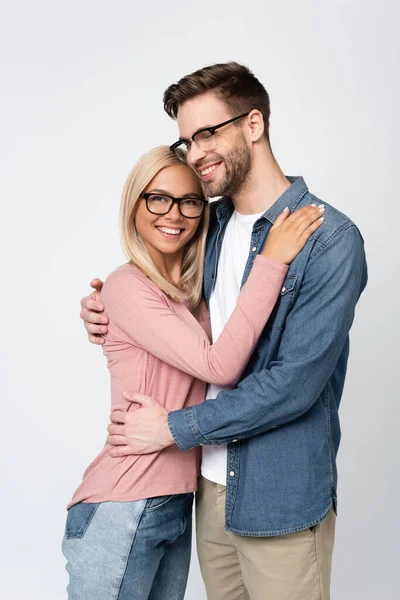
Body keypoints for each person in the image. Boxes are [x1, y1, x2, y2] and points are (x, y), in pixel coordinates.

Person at [81, 62, 368, 600]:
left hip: (280, 499)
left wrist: (174, 427)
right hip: (208, 495)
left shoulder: (329, 240)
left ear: (253, 125)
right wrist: (103, 307)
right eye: (186, 139)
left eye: (207, 133)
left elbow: (292, 386)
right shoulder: (205, 227)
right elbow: (158, 288)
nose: (194, 153)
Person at [64, 144, 323, 600]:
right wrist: (272, 260)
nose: (174, 213)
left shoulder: (188, 292)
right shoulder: (125, 285)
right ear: (135, 203)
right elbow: (219, 365)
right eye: (158, 198)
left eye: (189, 201)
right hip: (126, 500)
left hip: (177, 502)